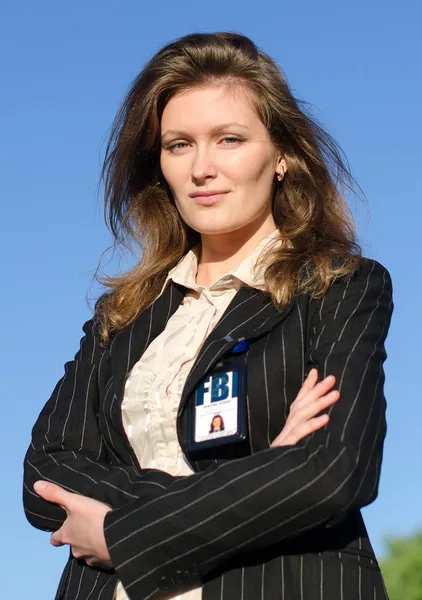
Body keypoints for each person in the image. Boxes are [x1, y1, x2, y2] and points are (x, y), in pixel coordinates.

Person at [23, 32, 393, 600]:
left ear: (282, 156)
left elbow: (334, 472)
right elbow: (45, 475)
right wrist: (265, 472)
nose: (202, 167)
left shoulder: (339, 288)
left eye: (229, 139)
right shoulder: (122, 314)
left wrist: (121, 532)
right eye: (178, 144)